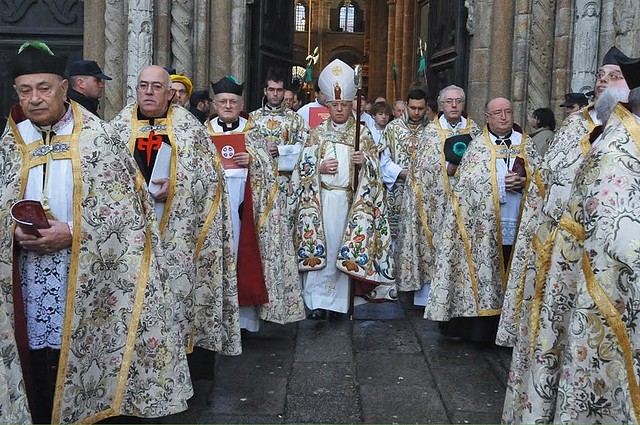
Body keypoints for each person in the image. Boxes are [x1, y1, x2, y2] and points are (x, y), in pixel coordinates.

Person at [2, 42, 192, 424]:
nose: (35, 99)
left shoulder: (99, 139)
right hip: (25, 281)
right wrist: (12, 231)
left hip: (90, 282)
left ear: (64, 87)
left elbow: (130, 216)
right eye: (25, 91)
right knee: (34, 367)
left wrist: (73, 232)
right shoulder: (11, 142)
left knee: (84, 371)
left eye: (44, 88)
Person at [500, 46, 635, 425]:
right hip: (562, 251)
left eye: (615, 76)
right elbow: (548, 182)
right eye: (602, 75)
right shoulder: (575, 128)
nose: (605, 81)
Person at [110, 65, 241, 357]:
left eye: (156, 87)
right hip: (135, 231)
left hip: (178, 233)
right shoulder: (118, 126)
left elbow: (210, 178)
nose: (148, 92)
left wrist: (177, 185)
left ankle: (180, 356)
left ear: (170, 93)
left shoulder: (188, 127)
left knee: (177, 296)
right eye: (143, 85)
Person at [426, 97, 536, 343]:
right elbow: (467, 186)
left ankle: (514, 328)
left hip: (518, 221)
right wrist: (499, 185)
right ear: (487, 116)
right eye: (498, 112)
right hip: (484, 227)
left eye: (508, 111)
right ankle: (484, 331)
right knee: (487, 272)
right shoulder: (477, 147)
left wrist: (525, 182)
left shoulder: (526, 144)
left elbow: (540, 180)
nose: (504, 117)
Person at [295, 59, 396, 320]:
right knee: (323, 250)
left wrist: (366, 163)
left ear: (352, 104)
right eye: (334, 105)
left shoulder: (362, 135)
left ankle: (340, 304)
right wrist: (317, 166)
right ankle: (316, 303)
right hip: (323, 199)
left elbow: (377, 172)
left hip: (351, 203)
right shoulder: (316, 133)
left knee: (345, 249)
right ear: (327, 105)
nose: (339, 109)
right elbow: (300, 167)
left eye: (344, 104)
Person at [207, 76, 305, 332]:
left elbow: (268, 165)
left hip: (246, 206)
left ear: (241, 104)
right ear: (214, 105)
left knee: (244, 257)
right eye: (222, 102)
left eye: (233, 101)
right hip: (214, 208)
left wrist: (252, 160)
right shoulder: (202, 133)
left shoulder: (254, 131)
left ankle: (244, 321)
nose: (228, 106)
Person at [394, 85, 482, 306]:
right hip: (434, 203)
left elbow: (484, 165)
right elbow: (421, 168)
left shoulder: (476, 132)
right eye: (449, 101)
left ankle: (460, 293)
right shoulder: (430, 133)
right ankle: (429, 296)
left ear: (463, 104)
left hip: (464, 201)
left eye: (458, 101)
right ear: (441, 105)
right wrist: (445, 167)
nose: (454, 105)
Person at [250, 68, 309, 232]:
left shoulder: (296, 120)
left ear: (284, 92)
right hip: (259, 182)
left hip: (286, 183)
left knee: (284, 226)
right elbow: (245, 147)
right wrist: (262, 148)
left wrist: (281, 150)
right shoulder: (252, 119)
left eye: (279, 90)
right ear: (265, 91)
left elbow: (306, 148)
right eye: (271, 90)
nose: (275, 94)